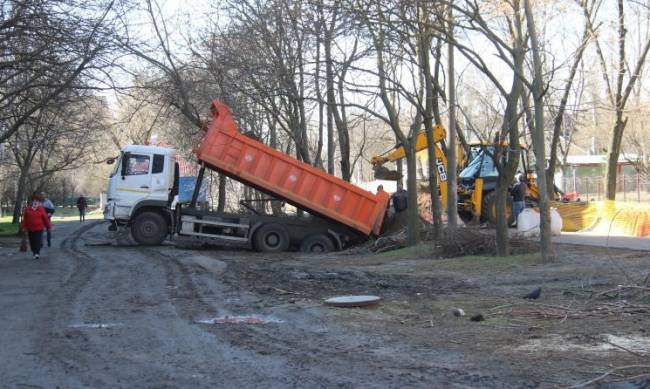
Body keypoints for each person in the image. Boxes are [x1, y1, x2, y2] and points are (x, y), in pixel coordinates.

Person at [21, 194, 52, 259]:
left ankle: (37, 253)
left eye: (37, 201)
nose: (35, 202)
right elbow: (25, 220)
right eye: (34, 201)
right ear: (32, 202)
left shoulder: (41, 209)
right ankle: (34, 251)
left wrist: (48, 226)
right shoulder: (28, 209)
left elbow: (45, 218)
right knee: (32, 241)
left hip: (39, 228)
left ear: (39, 202)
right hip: (30, 229)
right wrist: (24, 227)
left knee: (37, 241)